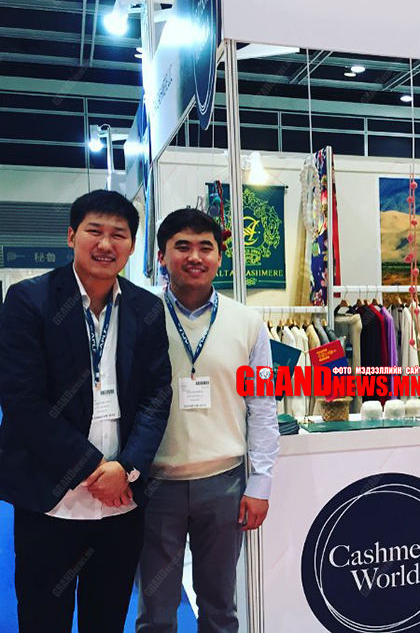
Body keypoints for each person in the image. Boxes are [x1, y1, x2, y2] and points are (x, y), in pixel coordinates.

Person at [0, 190, 173, 633]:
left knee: (107, 619)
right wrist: (95, 469)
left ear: (131, 246)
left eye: (119, 234)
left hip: (121, 505)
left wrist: (127, 469)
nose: (106, 244)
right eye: (95, 231)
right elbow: (22, 401)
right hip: (51, 500)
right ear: (71, 235)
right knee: (43, 620)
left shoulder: (146, 308)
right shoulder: (29, 300)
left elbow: (157, 396)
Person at [137, 208, 280, 633]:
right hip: (154, 484)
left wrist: (261, 482)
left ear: (220, 256)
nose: (195, 257)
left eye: (206, 247)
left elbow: (262, 405)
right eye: (182, 246)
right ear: (162, 256)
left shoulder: (248, 322)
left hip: (224, 485)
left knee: (219, 608)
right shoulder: (139, 314)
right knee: (156, 611)